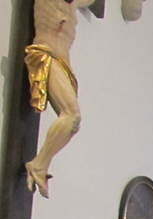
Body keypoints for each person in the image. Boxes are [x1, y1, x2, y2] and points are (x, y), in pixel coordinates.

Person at [24, 0, 96, 198]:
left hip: (63, 64)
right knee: (72, 116)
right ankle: (38, 166)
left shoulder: (73, 3)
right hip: (46, 54)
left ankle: (39, 165)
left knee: (74, 123)